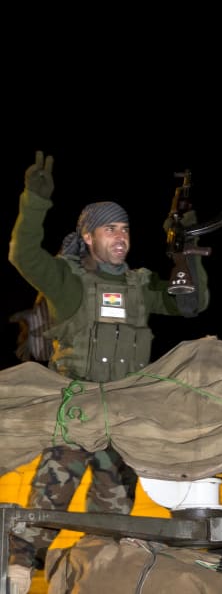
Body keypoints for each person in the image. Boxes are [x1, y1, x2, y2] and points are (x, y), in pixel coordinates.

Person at [6, 151, 211, 593]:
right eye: (110, 228)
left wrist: (186, 252)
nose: (120, 236)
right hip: (75, 414)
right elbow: (22, 254)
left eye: (125, 229)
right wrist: (35, 200)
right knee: (47, 500)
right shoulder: (68, 281)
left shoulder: (140, 287)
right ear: (88, 235)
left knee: (115, 518)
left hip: (123, 419)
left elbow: (190, 304)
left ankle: (98, 579)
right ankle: (19, 572)